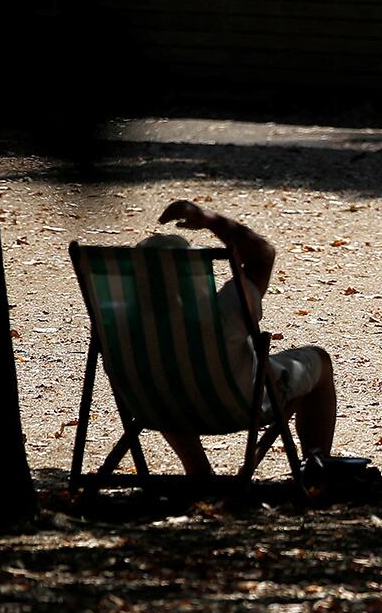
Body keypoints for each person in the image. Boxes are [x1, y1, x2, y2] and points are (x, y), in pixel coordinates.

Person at [141, 200, 338, 477]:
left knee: (167, 383)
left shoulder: (122, 323)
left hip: (161, 410)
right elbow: (262, 255)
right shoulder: (224, 312)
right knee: (319, 361)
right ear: (191, 275)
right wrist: (209, 219)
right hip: (240, 405)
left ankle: (198, 470)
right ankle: (315, 468)